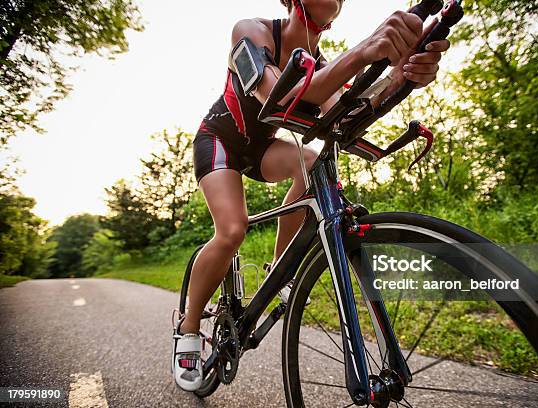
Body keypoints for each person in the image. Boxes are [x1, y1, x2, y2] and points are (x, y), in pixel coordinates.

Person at [173, 0, 450, 391]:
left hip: (262, 147)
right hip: (220, 139)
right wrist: (366, 49)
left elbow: (348, 116)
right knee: (233, 230)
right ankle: (187, 327)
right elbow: (279, 96)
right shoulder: (250, 31)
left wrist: (401, 79)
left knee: (313, 161)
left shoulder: (320, 65)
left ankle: (279, 269)